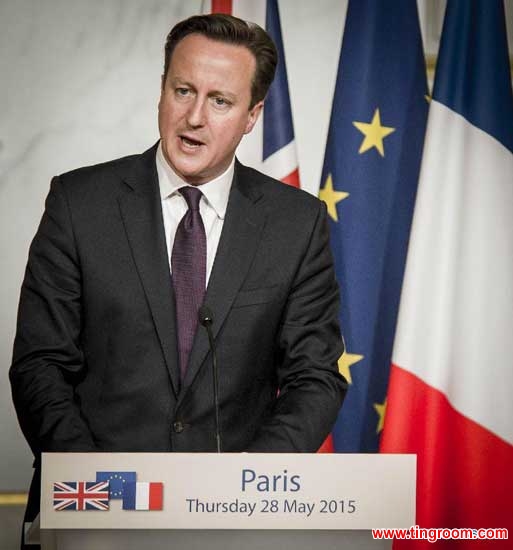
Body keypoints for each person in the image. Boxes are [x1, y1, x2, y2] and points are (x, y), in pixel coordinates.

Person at [10, 13, 347, 548]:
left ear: (252, 115)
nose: (194, 117)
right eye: (183, 90)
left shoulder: (296, 222)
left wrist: (243, 490)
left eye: (220, 101)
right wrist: (102, 493)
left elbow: (315, 377)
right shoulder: (80, 204)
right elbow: (40, 364)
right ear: (162, 90)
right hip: (91, 517)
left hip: (238, 525)